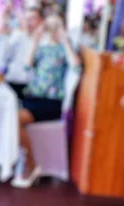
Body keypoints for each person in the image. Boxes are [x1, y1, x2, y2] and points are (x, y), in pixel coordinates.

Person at [12, 13, 80, 188]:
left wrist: (64, 40)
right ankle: (20, 162)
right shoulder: (43, 48)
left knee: (14, 121)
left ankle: (31, 165)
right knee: (10, 119)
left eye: (55, 26)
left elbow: (76, 66)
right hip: (33, 97)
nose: (52, 30)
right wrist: (36, 38)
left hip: (49, 102)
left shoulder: (64, 49)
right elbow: (27, 65)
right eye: (49, 26)